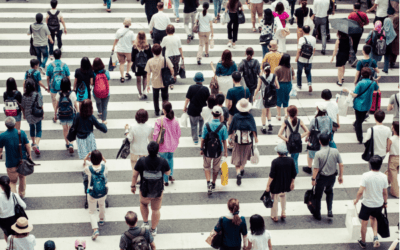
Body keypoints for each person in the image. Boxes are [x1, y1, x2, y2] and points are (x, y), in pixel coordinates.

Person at [131, 141, 171, 236]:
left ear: (148, 150)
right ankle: (153, 229)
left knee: (143, 204)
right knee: (156, 210)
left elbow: (134, 175)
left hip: (145, 190)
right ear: (158, 151)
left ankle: (145, 223)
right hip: (158, 190)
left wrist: (133, 186)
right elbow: (168, 173)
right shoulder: (162, 161)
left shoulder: (141, 161)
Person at [354, 155, 388, 249]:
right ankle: (375, 236)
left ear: (370, 164)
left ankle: (363, 242)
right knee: (374, 218)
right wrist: (385, 203)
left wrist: (356, 200)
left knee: (364, 222)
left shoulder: (366, 175)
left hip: (367, 204)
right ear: (380, 165)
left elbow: (360, 191)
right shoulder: (384, 177)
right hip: (378, 204)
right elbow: (385, 192)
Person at [311, 133, 344, 220]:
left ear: (320, 142)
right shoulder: (335, 151)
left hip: (321, 178)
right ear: (329, 140)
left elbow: (316, 169)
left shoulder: (318, 154)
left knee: (318, 196)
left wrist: (313, 179)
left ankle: (318, 214)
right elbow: (341, 164)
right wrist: (341, 176)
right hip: (332, 177)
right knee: (329, 192)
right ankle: (329, 210)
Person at [344, 68, 379, 143]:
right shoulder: (373, 83)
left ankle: (359, 138)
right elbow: (377, 89)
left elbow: (355, 95)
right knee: (361, 118)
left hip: (358, 105)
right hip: (367, 104)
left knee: (359, 121)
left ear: (362, 74)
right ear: (370, 74)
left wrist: (347, 90)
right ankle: (356, 124)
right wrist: (376, 80)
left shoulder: (360, 83)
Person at [228, 99, 258, 185]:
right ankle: (241, 170)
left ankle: (238, 173)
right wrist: (256, 138)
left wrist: (230, 138)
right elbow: (253, 129)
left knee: (236, 157)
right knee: (244, 156)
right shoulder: (250, 117)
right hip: (247, 141)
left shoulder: (236, 116)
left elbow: (231, 128)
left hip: (237, 140)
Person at [0, 117, 31, 198]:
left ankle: (15, 197)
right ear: (15, 124)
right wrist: (30, 156)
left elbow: (0, 150)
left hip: (11, 163)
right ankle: (22, 194)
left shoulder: (2, 136)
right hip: (22, 161)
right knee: (22, 178)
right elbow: (28, 145)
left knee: (12, 182)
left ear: (5, 125)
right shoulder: (21, 133)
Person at [200, 106, 228, 195]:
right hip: (218, 151)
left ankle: (208, 183)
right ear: (220, 115)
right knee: (216, 168)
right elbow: (224, 141)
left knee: (207, 167)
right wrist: (225, 152)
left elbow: (203, 139)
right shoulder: (222, 127)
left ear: (212, 113)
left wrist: (201, 149)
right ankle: (213, 183)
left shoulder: (207, 125)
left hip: (207, 150)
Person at [265, 143, 296, 222]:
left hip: (276, 185)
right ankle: (283, 211)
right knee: (283, 196)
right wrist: (292, 182)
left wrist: (268, 185)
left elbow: (271, 175)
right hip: (286, 183)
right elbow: (294, 173)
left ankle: (275, 216)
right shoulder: (291, 160)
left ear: (278, 152)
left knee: (274, 199)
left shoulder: (275, 162)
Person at [153, 102, 181, 186]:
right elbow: (178, 133)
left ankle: (165, 180)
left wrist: (155, 142)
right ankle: (170, 175)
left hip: (163, 145)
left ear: (163, 110)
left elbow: (155, 134)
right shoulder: (175, 119)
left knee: (163, 161)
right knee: (170, 159)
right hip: (172, 145)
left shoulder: (159, 120)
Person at [83, 150, 108, 240]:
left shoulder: (88, 168)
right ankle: (101, 219)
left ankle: (95, 229)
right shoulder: (104, 167)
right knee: (102, 204)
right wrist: (102, 157)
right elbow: (105, 161)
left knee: (92, 211)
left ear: (91, 159)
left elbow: (84, 162)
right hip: (103, 190)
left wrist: (88, 154)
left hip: (92, 192)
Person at [277, 105, 309, 173]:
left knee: (285, 160)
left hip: (286, 144)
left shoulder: (286, 122)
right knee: (295, 160)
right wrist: (299, 137)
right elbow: (307, 131)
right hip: (297, 144)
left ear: (288, 113)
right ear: (296, 112)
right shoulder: (299, 121)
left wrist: (287, 139)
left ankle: (286, 174)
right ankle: (293, 177)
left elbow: (279, 134)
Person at [303, 102, 333, 174]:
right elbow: (330, 128)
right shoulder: (329, 118)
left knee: (310, 152)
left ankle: (309, 167)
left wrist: (307, 137)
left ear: (318, 110)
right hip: (325, 139)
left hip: (315, 140)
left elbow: (310, 130)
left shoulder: (315, 120)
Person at [145, 44, 174, 116]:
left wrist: (148, 84)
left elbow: (148, 73)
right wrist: (172, 78)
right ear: (161, 51)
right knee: (165, 97)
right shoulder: (165, 59)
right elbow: (172, 69)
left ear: (152, 52)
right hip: (164, 82)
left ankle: (157, 111)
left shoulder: (150, 61)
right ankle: (165, 110)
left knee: (155, 98)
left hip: (155, 82)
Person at [183, 72, 210, 144]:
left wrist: (185, 107)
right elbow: (208, 100)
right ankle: (201, 134)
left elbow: (187, 99)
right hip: (203, 111)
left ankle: (195, 139)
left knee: (194, 125)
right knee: (202, 123)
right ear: (202, 80)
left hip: (193, 111)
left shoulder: (191, 88)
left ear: (195, 80)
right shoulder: (206, 89)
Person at [253, 62, 280, 134]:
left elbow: (258, 88)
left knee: (263, 112)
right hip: (271, 96)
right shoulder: (274, 76)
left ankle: (264, 127)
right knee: (269, 110)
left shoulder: (261, 77)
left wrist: (254, 96)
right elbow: (278, 87)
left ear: (263, 69)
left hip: (263, 97)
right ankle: (270, 124)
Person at [54, 77, 78, 153]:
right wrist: (78, 113)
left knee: (65, 129)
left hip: (62, 115)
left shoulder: (59, 94)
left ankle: (67, 143)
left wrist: (55, 115)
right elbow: (75, 105)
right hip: (71, 114)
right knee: (71, 129)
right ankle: (71, 144)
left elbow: (56, 106)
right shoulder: (72, 93)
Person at [46, 49, 70, 120]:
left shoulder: (50, 65)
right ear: (60, 55)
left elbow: (48, 77)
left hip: (53, 88)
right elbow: (68, 77)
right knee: (63, 100)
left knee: (54, 102)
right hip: (64, 88)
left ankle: (56, 115)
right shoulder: (64, 65)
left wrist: (48, 87)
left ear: (53, 56)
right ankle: (62, 113)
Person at [0, 176, 26, 242]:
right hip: (14, 218)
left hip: (2, 220)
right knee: (15, 233)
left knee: (6, 233)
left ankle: (9, 246)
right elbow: (24, 206)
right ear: (9, 184)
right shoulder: (14, 195)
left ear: (0, 185)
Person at [20, 80, 43, 156]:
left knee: (32, 128)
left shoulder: (24, 96)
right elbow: (40, 104)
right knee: (39, 130)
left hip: (28, 115)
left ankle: (33, 143)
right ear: (33, 86)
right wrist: (43, 113)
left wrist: (24, 115)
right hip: (36, 114)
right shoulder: (36, 94)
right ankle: (36, 144)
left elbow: (22, 107)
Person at [112, 17, 135, 83]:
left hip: (120, 50)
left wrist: (113, 46)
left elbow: (116, 40)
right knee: (129, 61)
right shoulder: (131, 33)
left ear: (123, 24)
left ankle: (122, 77)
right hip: (128, 50)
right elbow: (134, 43)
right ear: (130, 25)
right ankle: (127, 73)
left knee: (121, 63)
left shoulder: (119, 31)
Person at [161, 24, 183, 90]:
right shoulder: (177, 37)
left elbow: (161, 46)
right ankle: (175, 77)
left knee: (170, 68)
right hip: (177, 54)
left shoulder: (165, 38)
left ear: (166, 31)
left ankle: (171, 79)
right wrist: (182, 55)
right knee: (175, 65)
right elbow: (180, 48)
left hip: (169, 55)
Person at [131, 31, 153, 100]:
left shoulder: (135, 46)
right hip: (145, 65)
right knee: (145, 78)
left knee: (138, 80)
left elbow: (133, 58)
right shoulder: (147, 45)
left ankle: (140, 93)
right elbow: (151, 56)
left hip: (137, 66)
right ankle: (144, 92)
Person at [274, 53, 295, 121]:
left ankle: (279, 115)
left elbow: (275, 79)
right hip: (288, 85)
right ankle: (286, 114)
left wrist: (277, 86)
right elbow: (293, 78)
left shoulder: (277, 69)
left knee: (279, 100)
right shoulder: (291, 68)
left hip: (280, 85)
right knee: (286, 100)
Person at [295, 25, 316, 92]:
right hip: (308, 59)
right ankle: (309, 84)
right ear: (309, 30)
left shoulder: (301, 39)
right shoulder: (313, 38)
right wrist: (312, 56)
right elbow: (314, 49)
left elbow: (299, 50)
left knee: (299, 72)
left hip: (301, 59)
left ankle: (299, 85)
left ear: (303, 31)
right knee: (308, 72)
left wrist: (296, 58)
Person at [92, 57, 110, 124]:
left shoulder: (93, 73)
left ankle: (99, 112)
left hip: (96, 92)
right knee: (104, 106)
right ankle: (103, 120)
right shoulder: (106, 72)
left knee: (98, 102)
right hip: (106, 92)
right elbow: (108, 80)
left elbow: (92, 82)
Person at [386, 121, 399, 198]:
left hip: (393, 158)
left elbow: (387, 149)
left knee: (393, 175)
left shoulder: (391, 139)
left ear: (393, 128)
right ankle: (385, 181)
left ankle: (395, 192)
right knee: (392, 172)